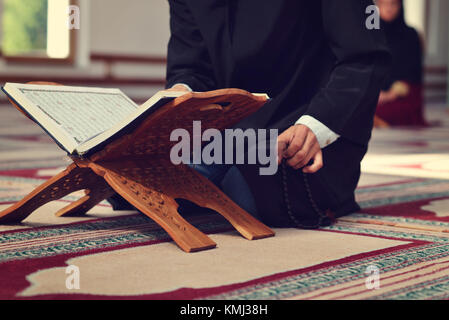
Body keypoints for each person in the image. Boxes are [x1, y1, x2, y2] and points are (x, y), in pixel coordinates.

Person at [111, 1, 391, 229]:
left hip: (304, 124)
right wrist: (175, 101)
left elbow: (364, 59)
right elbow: (191, 68)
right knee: (129, 170)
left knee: (245, 186)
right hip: (225, 130)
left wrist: (314, 127)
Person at [375, 0, 426, 126]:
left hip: (403, 93)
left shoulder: (411, 35)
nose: (388, 8)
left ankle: (374, 120)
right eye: (383, 4)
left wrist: (389, 95)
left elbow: (414, 72)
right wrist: (376, 93)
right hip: (376, 92)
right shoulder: (372, 34)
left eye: (393, 4)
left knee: (379, 110)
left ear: (400, 6)